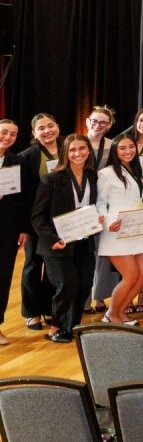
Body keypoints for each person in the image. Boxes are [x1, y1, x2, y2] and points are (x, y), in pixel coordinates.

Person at [31, 134, 100, 343]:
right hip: (56, 244)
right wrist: (52, 239)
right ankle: (55, 327)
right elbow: (37, 216)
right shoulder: (51, 179)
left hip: (84, 240)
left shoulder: (92, 176)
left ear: (88, 151)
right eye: (72, 150)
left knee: (85, 283)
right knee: (67, 284)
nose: (77, 153)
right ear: (65, 153)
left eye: (82, 148)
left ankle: (73, 326)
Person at [95, 136, 143, 325]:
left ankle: (120, 312)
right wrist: (109, 222)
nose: (128, 151)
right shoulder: (106, 173)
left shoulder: (139, 170)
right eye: (122, 148)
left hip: (137, 227)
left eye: (131, 147)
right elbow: (100, 203)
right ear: (115, 152)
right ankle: (111, 314)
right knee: (131, 275)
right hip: (116, 230)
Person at [19, 113, 62, 332]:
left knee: (54, 266)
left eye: (50, 126)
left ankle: (48, 307)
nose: (47, 131)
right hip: (35, 219)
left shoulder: (68, 149)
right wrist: (24, 227)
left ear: (58, 127)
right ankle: (31, 312)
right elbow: (22, 194)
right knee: (33, 265)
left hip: (61, 219)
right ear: (34, 133)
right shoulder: (26, 156)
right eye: (41, 128)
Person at [0, 120, 27, 344]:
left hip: (7, 231)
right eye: (4, 132)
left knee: (2, 278)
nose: (8, 137)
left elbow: (22, 199)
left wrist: (23, 228)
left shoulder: (16, 161)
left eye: (13, 135)